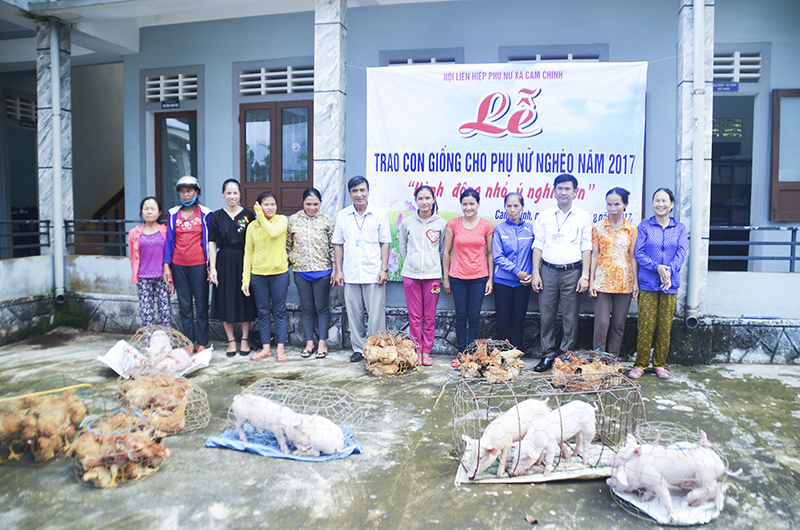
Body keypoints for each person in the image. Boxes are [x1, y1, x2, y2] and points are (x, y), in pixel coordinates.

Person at [530, 173, 592, 372]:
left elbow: (587, 248)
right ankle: (547, 355)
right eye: (560, 188)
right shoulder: (544, 216)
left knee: (570, 317)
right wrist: (536, 273)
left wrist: (585, 276)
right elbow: (538, 245)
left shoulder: (583, 216)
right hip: (548, 271)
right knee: (546, 315)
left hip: (572, 272)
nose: (563, 192)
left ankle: (566, 356)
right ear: (554, 190)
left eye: (567, 189)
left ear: (575, 192)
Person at [630, 188, 688, 380]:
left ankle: (660, 364)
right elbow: (639, 253)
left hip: (670, 284)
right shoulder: (645, 226)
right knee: (645, 325)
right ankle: (640, 364)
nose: (660, 204)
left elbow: (681, 253)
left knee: (664, 326)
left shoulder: (679, 228)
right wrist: (657, 268)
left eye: (664, 201)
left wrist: (668, 270)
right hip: (648, 283)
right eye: (657, 200)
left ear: (672, 204)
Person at [332, 176, 391, 363]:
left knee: (376, 315)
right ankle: (358, 348)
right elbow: (338, 244)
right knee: (354, 314)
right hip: (351, 273)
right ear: (350, 193)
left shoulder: (379, 214)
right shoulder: (343, 215)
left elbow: (385, 243)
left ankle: (376, 349)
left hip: (373, 272)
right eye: (355, 191)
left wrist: (384, 268)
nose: (359, 194)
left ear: (368, 191)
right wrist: (338, 270)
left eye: (362, 190)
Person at [442, 188, 494, 367]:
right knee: (461, 315)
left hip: (479, 277)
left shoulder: (486, 226)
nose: (468, 207)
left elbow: (490, 253)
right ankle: (461, 353)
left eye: (472, 203)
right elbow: (446, 252)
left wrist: (490, 279)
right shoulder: (453, 224)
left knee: (474, 316)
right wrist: (446, 278)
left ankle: (472, 354)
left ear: (478, 204)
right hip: (457, 277)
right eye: (465, 204)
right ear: (461, 205)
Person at [163, 176, 212, 353]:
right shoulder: (173, 214)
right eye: (182, 191)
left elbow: (210, 241)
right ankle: (189, 343)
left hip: (199, 265)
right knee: (184, 306)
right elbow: (169, 241)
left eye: (189, 191)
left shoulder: (205, 213)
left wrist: (211, 267)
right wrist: (166, 265)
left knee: (201, 305)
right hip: (178, 265)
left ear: (197, 192)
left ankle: (202, 343)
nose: (185, 194)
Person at [398, 184, 447, 367]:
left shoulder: (441, 224)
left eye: (427, 198)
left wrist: (434, 266)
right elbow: (403, 247)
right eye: (420, 198)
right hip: (410, 276)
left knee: (429, 316)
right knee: (415, 316)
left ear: (434, 199)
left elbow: (442, 250)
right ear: (416, 201)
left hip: (432, 276)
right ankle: (416, 351)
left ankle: (426, 351)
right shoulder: (407, 222)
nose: (424, 202)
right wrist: (411, 263)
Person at [207, 179, 256, 358]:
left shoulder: (248, 215)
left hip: (244, 260)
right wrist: (212, 268)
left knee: (245, 299)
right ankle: (231, 341)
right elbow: (212, 243)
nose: (232, 196)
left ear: (240, 194)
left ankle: (244, 339)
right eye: (228, 193)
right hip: (224, 262)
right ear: (223, 194)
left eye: (235, 193)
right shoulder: (216, 216)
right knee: (225, 299)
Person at [589, 187, 639, 356]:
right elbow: (594, 255)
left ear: (625, 205)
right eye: (609, 204)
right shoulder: (598, 227)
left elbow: (632, 257)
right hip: (602, 282)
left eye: (617, 204)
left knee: (618, 324)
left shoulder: (631, 229)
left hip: (624, 282)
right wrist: (591, 281)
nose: (612, 208)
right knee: (602, 323)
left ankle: (613, 359)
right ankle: (598, 359)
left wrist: (635, 283)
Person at [287, 188, 335, 359]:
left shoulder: (327, 220)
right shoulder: (294, 220)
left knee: (322, 307)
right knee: (306, 308)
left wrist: (335, 269)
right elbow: (288, 245)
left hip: (323, 271)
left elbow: (333, 247)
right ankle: (309, 342)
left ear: (320, 203)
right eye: (308, 204)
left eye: (316, 204)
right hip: (301, 271)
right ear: (302, 202)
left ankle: (322, 342)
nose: (312, 207)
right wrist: (288, 266)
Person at [242, 192, 290, 362]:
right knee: (262, 312)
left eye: (272, 204)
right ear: (259, 206)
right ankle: (266, 349)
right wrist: (245, 280)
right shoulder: (252, 226)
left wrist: (260, 216)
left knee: (279, 311)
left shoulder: (281, 220)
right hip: (258, 275)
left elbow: (274, 233)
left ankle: (281, 349)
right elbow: (248, 253)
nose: (270, 207)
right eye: (266, 204)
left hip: (279, 274)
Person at [492, 192, 534, 350]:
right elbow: (498, 257)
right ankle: (502, 354)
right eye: (509, 206)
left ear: (522, 207)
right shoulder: (499, 229)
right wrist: (518, 272)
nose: (512, 209)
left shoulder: (530, 229)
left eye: (516, 205)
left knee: (518, 320)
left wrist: (531, 274)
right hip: (502, 281)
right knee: (503, 320)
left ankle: (516, 353)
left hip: (523, 283)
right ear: (504, 207)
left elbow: (535, 253)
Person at [129, 196, 173, 327]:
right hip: (143, 278)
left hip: (162, 277)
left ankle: (167, 338)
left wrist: (171, 279)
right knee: (146, 313)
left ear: (159, 213)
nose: (149, 211)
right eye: (146, 208)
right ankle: (148, 339)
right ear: (141, 212)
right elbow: (132, 256)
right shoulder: (134, 233)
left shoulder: (165, 231)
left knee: (165, 312)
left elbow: (170, 255)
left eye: (153, 209)